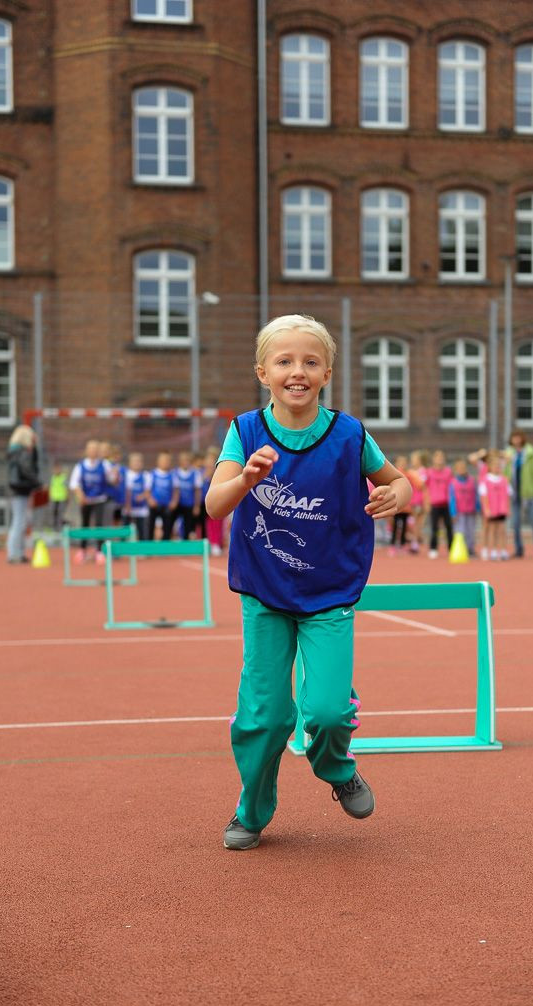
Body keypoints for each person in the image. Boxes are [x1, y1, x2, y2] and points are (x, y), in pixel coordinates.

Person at [205, 313, 411, 851]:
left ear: (326, 374)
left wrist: (401, 494)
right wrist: (246, 479)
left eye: (310, 362)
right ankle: (251, 810)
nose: (297, 370)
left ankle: (337, 769)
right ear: (262, 372)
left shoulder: (349, 434)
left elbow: (397, 479)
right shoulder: (244, 431)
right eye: (285, 361)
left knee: (325, 710)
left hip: (329, 592)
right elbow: (213, 503)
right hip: (265, 591)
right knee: (266, 716)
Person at [69, 439, 113, 564]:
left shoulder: (105, 465)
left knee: (99, 525)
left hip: (100, 499)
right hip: (86, 500)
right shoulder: (80, 466)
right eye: (91, 449)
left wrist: (115, 476)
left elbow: (112, 480)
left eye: (95, 449)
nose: (93, 451)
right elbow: (74, 483)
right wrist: (80, 495)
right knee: (85, 524)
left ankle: (99, 551)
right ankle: (82, 550)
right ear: (87, 451)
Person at [505, 431, 533, 558]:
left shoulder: (530, 453)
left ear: (522, 439)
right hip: (515, 492)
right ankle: (519, 549)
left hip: (530, 492)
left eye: (518, 437)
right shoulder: (508, 453)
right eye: (514, 438)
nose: (516, 440)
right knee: (516, 523)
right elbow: (505, 471)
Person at [6, 424, 40, 564]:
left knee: (21, 521)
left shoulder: (14, 451)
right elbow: (27, 469)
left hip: (17, 489)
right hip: (20, 489)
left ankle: (17, 553)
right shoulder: (23, 452)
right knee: (19, 522)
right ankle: (14, 553)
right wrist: (37, 482)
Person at [478, 453, 510, 560]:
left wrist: (507, 508)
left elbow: (508, 495)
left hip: (501, 509)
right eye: (494, 465)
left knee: (501, 530)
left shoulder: (504, 480)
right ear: (489, 467)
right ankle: (487, 549)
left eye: (499, 465)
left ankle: (501, 550)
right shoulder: (486, 479)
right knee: (489, 529)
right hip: (490, 509)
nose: (497, 467)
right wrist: (486, 509)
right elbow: (484, 496)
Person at [426, 449, 453, 559]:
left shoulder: (448, 472)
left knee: (449, 527)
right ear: (434, 459)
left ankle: (451, 548)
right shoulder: (429, 472)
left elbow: (452, 488)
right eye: (437, 457)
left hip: (446, 504)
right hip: (434, 504)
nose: (440, 459)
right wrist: (427, 502)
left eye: (441, 457)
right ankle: (433, 548)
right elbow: (425, 488)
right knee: (434, 527)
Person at [146, 451, 178, 540]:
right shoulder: (152, 474)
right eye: (163, 460)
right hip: (155, 505)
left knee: (167, 527)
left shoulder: (173, 475)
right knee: (150, 526)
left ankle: (165, 547)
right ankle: (149, 546)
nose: (165, 462)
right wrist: (150, 500)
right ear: (158, 461)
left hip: (167, 506)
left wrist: (174, 502)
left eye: (167, 460)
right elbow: (147, 490)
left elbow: (176, 491)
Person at [450, 458, 478, 557]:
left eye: (463, 467)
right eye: (459, 468)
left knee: (471, 530)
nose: (462, 469)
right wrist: (453, 513)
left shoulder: (472, 480)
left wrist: (477, 507)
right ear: (456, 469)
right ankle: (461, 549)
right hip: (459, 512)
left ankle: (470, 549)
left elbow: (475, 494)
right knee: (460, 531)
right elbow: (452, 499)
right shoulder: (453, 482)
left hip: (470, 510)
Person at [173, 450, 202, 540]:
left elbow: (197, 491)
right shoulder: (175, 473)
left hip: (189, 504)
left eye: (187, 460)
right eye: (183, 460)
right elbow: (174, 490)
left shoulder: (195, 473)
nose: (185, 462)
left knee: (188, 526)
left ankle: (186, 547)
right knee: (170, 522)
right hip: (177, 504)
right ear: (180, 461)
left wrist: (197, 506)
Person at [200, 448, 224, 555]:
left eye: (212, 460)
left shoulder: (218, 472)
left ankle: (216, 543)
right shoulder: (201, 473)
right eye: (207, 460)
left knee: (216, 523)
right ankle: (206, 543)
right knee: (204, 524)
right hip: (202, 503)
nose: (209, 463)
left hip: (215, 501)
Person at [124, 452, 150, 540]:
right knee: (126, 531)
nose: (136, 463)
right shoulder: (126, 475)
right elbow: (126, 491)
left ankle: (142, 550)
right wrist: (128, 505)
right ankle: (123, 550)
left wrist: (142, 496)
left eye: (138, 461)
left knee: (142, 530)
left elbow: (148, 491)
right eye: (134, 461)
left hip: (141, 510)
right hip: (128, 510)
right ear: (130, 463)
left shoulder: (146, 475)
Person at [408, 450, 428, 553]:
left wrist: (413, 475)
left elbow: (421, 484)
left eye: (414, 460)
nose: (412, 461)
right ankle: (416, 541)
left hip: (419, 500)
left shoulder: (422, 471)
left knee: (417, 523)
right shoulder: (412, 471)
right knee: (414, 523)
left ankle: (415, 543)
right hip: (412, 500)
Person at [48, 462, 69, 531]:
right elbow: (50, 487)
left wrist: (67, 497)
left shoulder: (63, 477)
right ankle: (53, 527)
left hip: (62, 498)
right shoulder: (52, 477)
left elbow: (66, 488)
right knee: (53, 512)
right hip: (54, 498)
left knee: (60, 513)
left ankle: (59, 528)